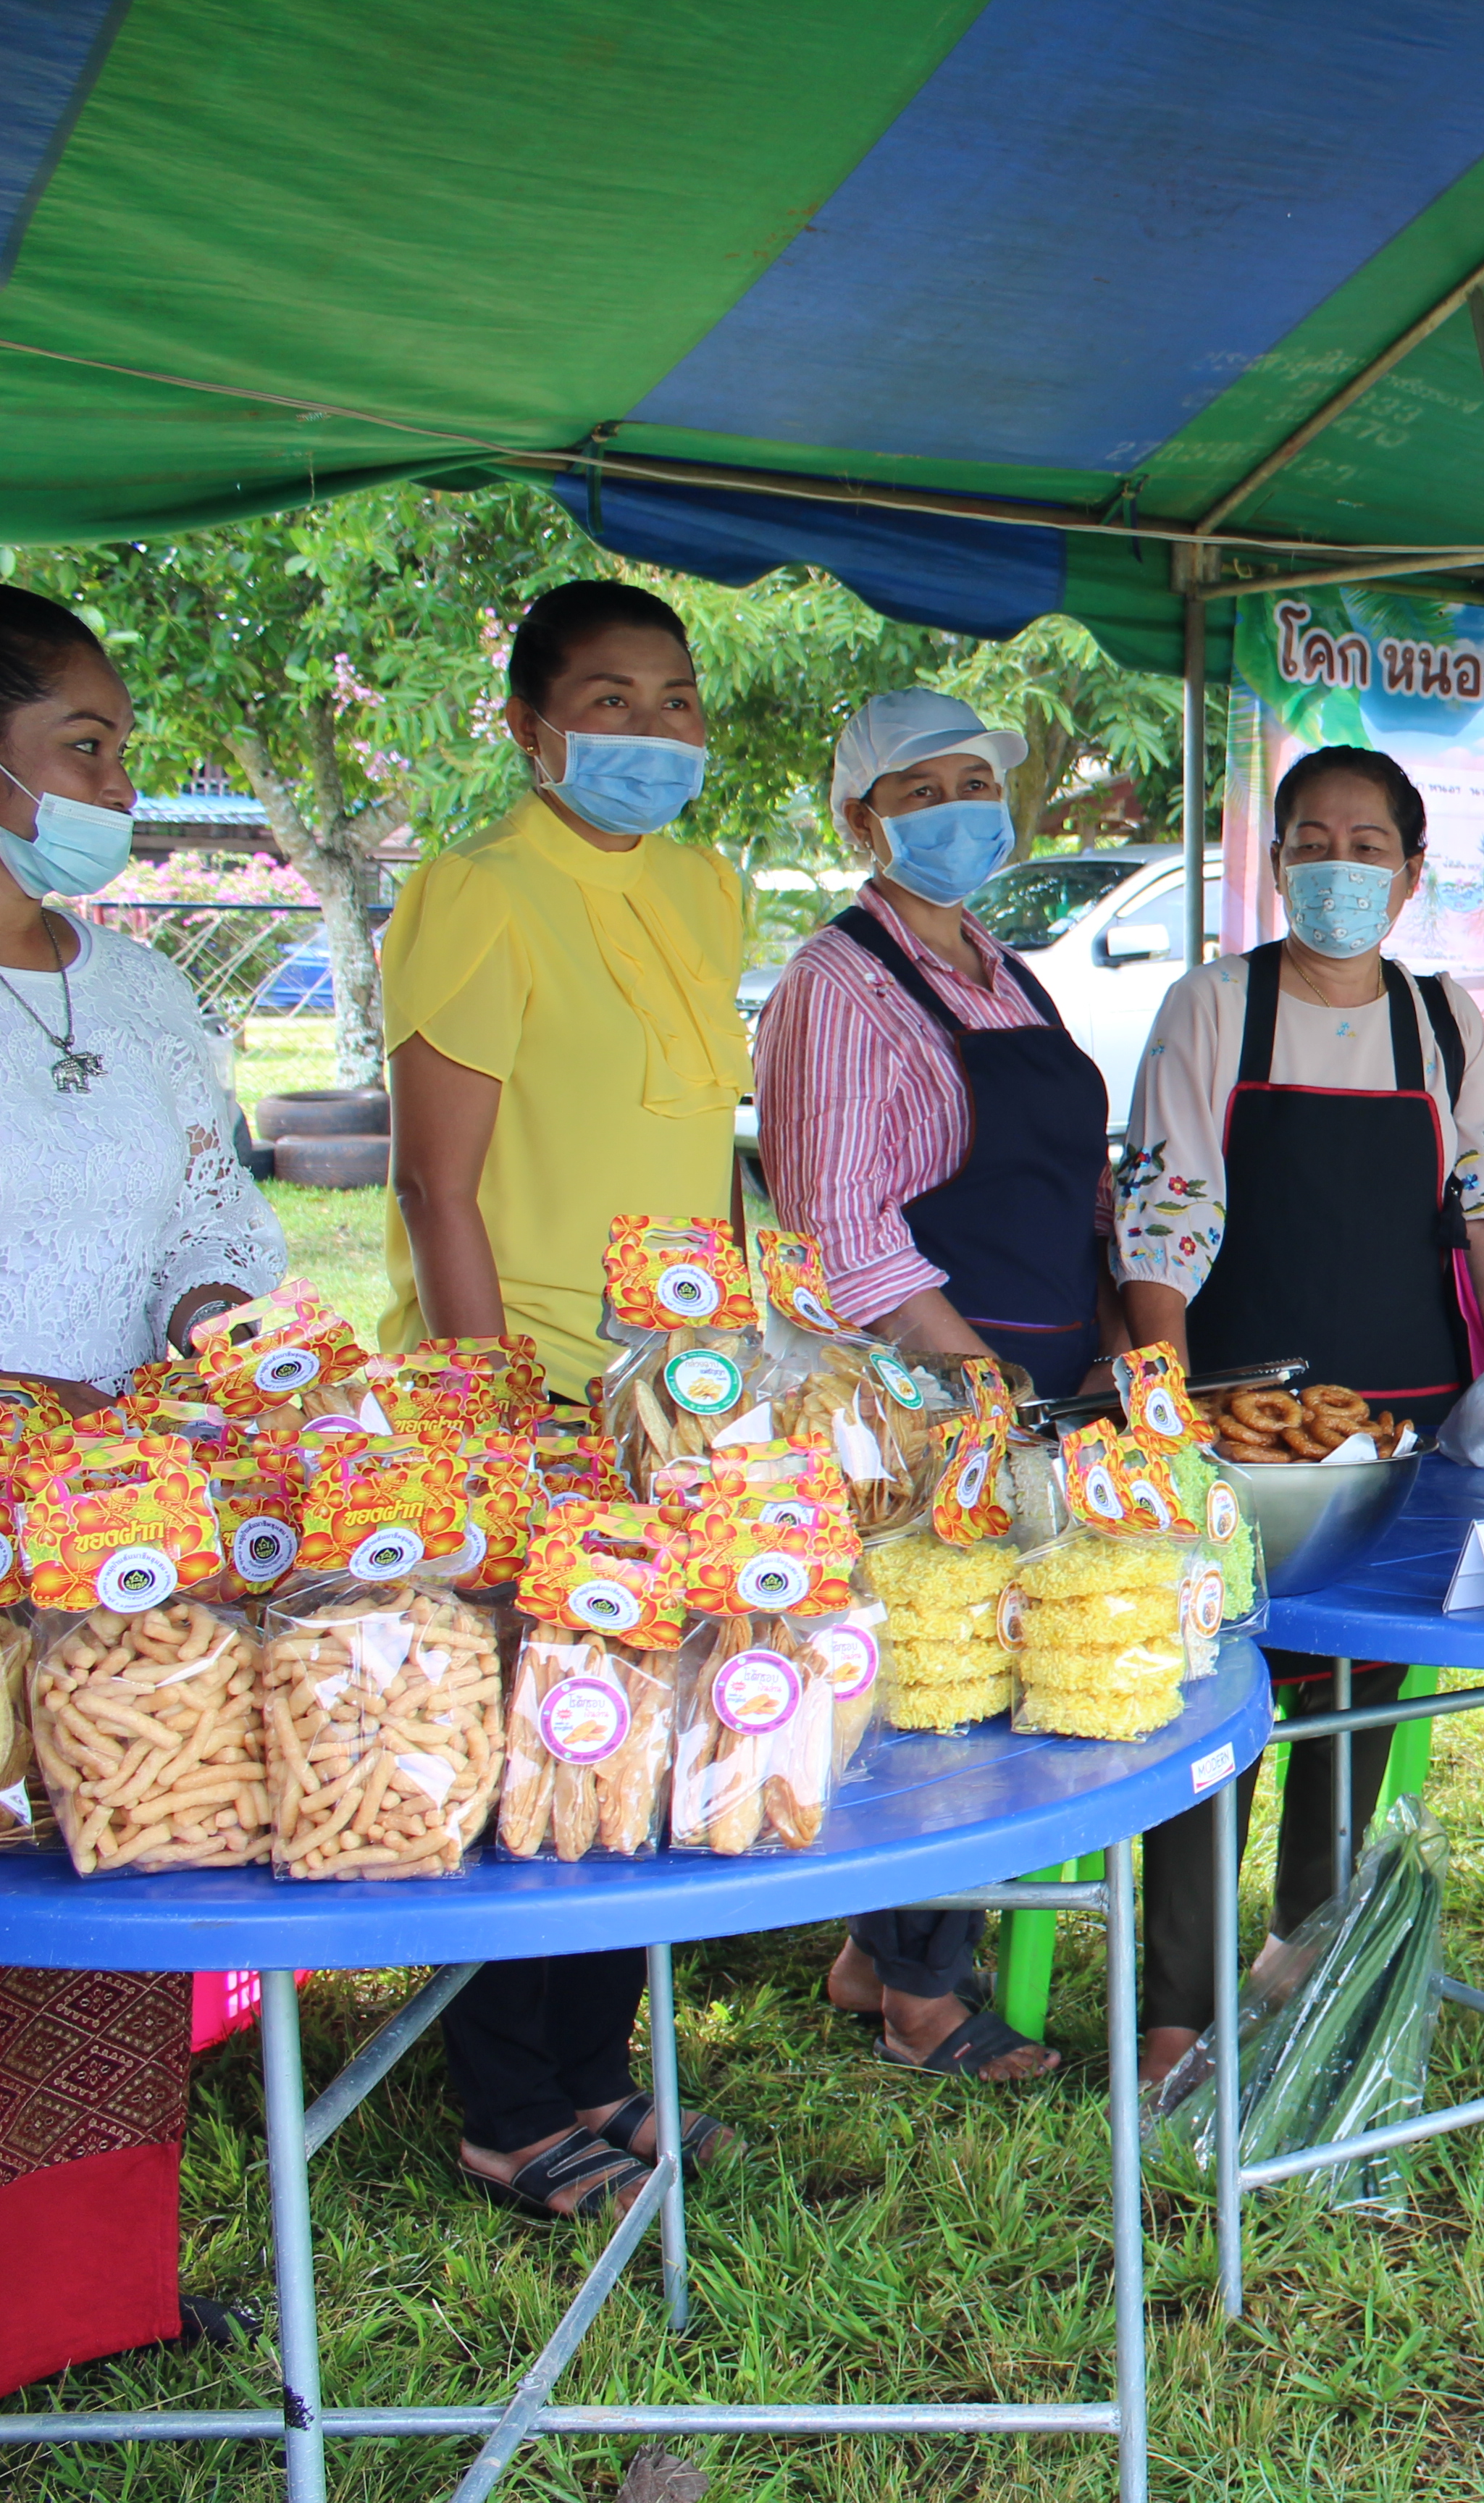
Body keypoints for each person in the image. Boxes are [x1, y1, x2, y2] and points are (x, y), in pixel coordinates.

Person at [384, 577, 750, 2218]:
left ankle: (600, 2067)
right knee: (529, 1726)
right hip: (517, 1383)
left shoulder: (706, 882)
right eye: (609, 700)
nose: (651, 731)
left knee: (637, 1728)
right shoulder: (477, 893)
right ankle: (504, 2100)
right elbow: (431, 1185)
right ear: (530, 726)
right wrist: (488, 1414)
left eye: (674, 698)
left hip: (673, 1393)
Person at [1121, 742, 1484, 2062]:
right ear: (1273, 860)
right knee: (1218, 1702)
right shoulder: (1212, 1007)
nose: (1337, 867)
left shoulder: (1441, 1020)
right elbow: (1161, 1222)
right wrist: (1163, 1412)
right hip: (1240, 1424)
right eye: (1310, 840)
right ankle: (1179, 2005)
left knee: (1359, 1697)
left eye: (1367, 846)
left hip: (1404, 1422)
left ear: (1413, 874)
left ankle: (1307, 1951)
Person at [0, 586, 282, 2385]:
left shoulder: (144, 979)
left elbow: (210, 1208)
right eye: (83, 742)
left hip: (122, 1523)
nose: (121, 773)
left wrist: (214, 1316)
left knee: (97, 1879)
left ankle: (81, 2302)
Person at [759, 686, 1120, 2087]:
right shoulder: (835, 983)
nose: (962, 811)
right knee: (939, 1669)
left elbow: (1073, 1177)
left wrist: (1095, 1346)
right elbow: (841, 1224)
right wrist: (978, 1384)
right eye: (923, 792)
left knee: (1002, 1652)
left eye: (977, 782)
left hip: (1042, 1360)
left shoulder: (1004, 969)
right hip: (925, 1376)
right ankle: (923, 1996)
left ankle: (880, 1954)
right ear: (861, 821)